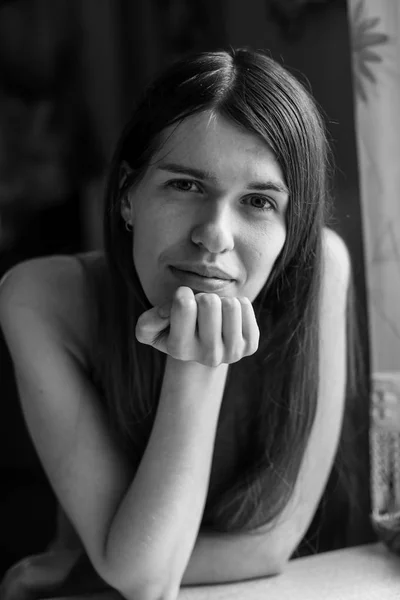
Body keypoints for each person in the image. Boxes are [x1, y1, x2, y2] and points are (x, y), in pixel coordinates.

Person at [0, 47, 356, 600]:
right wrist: (196, 368)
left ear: (294, 227)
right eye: (186, 185)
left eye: (259, 201)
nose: (215, 234)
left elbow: (268, 547)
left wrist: (88, 570)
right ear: (126, 195)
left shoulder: (323, 272)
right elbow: (145, 583)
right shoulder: (39, 299)